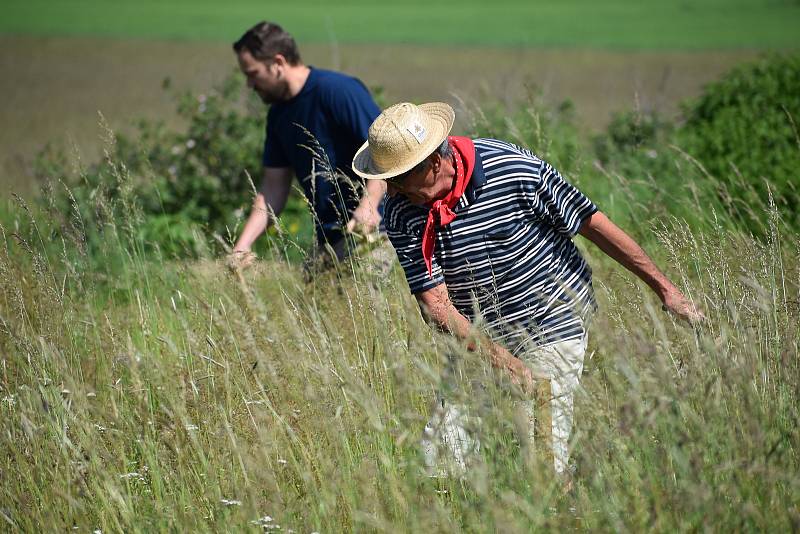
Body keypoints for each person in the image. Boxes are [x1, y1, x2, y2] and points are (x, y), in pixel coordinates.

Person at [352, 101, 705, 479]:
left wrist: (665, 289)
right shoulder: (401, 209)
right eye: (386, 179)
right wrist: (500, 360)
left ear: (433, 163)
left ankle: (561, 511)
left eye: (398, 178)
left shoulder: (512, 168)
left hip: (552, 317)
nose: (390, 190)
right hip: (482, 331)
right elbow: (435, 305)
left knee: (543, 461)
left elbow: (591, 222)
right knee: (439, 461)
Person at [227, 21, 385, 271]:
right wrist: (242, 247)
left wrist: (369, 204)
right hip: (329, 237)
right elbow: (273, 188)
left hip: (376, 232)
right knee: (310, 304)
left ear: (278, 63)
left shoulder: (338, 91)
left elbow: (387, 149)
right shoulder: (278, 115)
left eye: (252, 73)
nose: (249, 84)